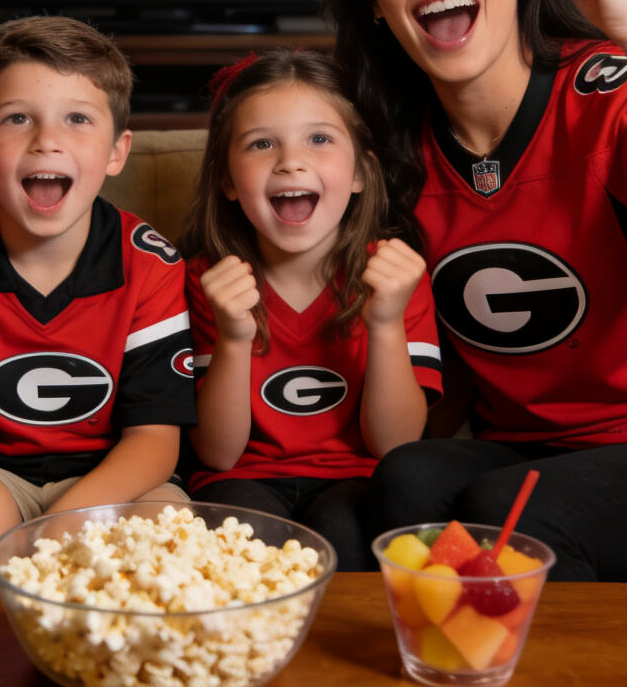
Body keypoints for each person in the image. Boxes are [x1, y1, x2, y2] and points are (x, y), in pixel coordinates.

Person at [322, 0, 627, 581]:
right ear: (377, 3)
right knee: (408, 478)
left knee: (517, 511)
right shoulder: (388, 149)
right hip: (529, 448)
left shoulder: (606, 89)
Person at [0, 16, 196, 571]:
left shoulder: (149, 264)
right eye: (17, 118)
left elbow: (154, 441)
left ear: (117, 151)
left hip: (115, 476)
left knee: (167, 523)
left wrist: (65, 522)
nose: (47, 140)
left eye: (77, 119)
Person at [177, 49, 442, 570]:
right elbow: (218, 453)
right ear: (228, 180)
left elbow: (395, 445)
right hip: (239, 480)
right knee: (244, 542)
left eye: (319, 139)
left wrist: (385, 321)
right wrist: (233, 336)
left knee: (347, 535)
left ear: (362, 171)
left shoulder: (397, 273)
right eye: (261, 144)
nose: (290, 161)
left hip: (358, 478)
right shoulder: (206, 280)